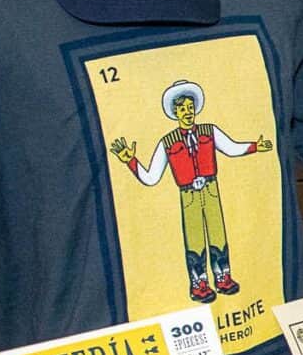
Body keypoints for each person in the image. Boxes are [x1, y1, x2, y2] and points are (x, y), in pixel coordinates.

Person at [110, 78, 273, 303]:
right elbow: (151, 177)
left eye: (189, 107)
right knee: (194, 241)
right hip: (188, 195)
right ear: (174, 112)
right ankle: (199, 284)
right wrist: (131, 161)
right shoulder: (168, 142)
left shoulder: (209, 131)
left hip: (211, 189)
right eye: (181, 108)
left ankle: (223, 277)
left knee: (218, 235)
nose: (187, 112)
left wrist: (255, 146)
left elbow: (232, 148)